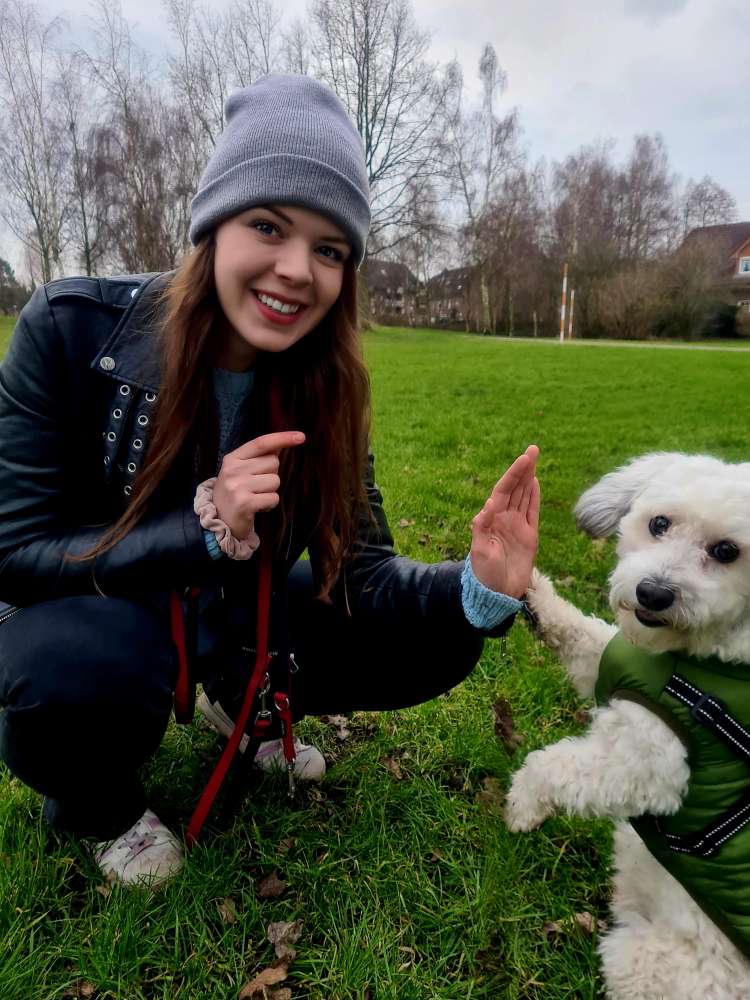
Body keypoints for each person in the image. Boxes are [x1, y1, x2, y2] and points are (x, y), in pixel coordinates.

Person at [0, 74, 540, 886]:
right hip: (85, 615)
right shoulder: (71, 327)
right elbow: (13, 555)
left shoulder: (330, 384)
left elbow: (361, 572)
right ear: (213, 226)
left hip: (223, 616)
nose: (296, 270)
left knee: (436, 636)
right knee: (79, 663)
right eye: (268, 226)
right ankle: (96, 805)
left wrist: (475, 587)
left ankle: (238, 698)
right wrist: (201, 528)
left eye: (329, 249)